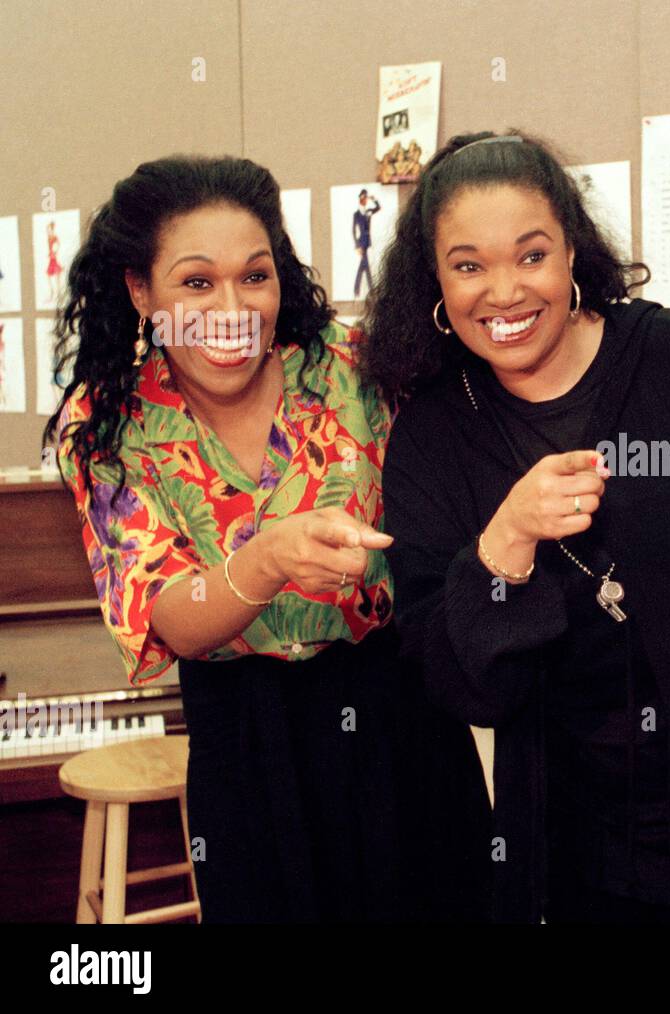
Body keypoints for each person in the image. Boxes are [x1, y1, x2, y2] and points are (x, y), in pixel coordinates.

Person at [44, 154, 489, 923]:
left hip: (401, 714)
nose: (232, 307)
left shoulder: (356, 368)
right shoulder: (110, 423)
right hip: (248, 740)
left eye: (255, 276)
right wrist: (266, 560)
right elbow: (169, 616)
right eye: (195, 282)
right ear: (140, 291)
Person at [362, 130, 670, 924]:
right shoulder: (434, 434)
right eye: (468, 265)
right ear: (436, 283)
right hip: (569, 843)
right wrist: (506, 543)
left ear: (570, 254)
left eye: (530, 256)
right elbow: (455, 685)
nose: (505, 292)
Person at [353, 189, 380, 298]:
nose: (364, 200)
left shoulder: (368, 211)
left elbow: (378, 208)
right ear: (360, 199)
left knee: (364, 266)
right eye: (363, 198)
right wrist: (357, 245)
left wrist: (374, 199)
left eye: (366, 198)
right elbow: (353, 230)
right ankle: (364, 289)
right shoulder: (356, 214)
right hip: (361, 242)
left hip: (367, 241)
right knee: (364, 266)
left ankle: (358, 289)